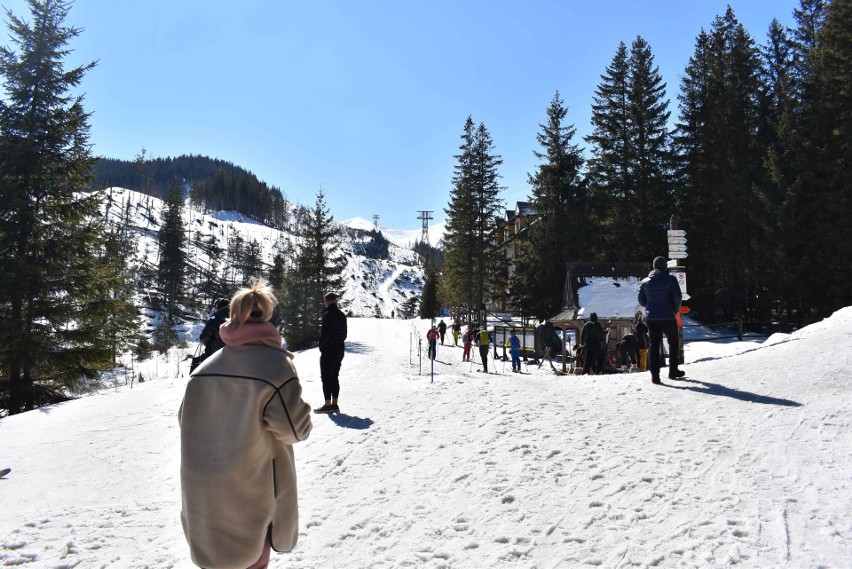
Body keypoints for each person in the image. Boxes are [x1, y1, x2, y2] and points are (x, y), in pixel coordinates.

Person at [180, 279, 313, 569]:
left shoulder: (205, 368)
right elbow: (296, 430)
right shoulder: (276, 366)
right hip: (248, 493)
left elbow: (185, 421)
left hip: (202, 497)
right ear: (274, 325)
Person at [638, 256, 684, 384]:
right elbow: (677, 297)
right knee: (674, 342)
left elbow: (641, 301)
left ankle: (655, 376)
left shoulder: (645, 282)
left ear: (653, 267)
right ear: (665, 266)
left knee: (654, 345)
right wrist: (674, 310)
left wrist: (650, 306)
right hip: (667, 316)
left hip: (651, 317)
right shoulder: (670, 279)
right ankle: (673, 370)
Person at [315, 292, 347, 413]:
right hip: (339, 349)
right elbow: (344, 334)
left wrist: (322, 346)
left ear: (326, 301)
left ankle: (327, 405)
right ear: (336, 301)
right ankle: (335, 404)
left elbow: (325, 334)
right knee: (334, 376)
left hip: (329, 349)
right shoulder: (342, 315)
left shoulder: (328, 315)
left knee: (326, 377)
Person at [191, 298, 230, 372]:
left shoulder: (214, 318)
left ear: (217, 307)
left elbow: (204, 338)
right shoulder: (237, 318)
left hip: (213, 355)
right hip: (233, 355)